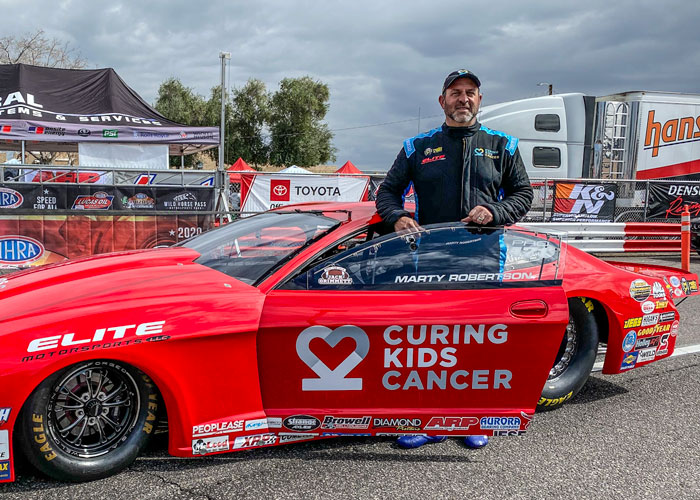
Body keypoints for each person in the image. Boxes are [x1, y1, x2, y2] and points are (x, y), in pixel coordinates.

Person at [375, 69, 533, 449]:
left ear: (480, 100)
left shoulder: (502, 144)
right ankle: (428, 420)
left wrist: (494, 212)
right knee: (430, 343)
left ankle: (471, 419)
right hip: (430, 261)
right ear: (442, 100)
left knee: (476, 342)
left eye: (471, 93)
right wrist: (398, 217)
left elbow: (524, 195)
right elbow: (387, 193)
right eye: (455, 93)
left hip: (484, 258)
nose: (463, 99)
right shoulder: (417, 146)